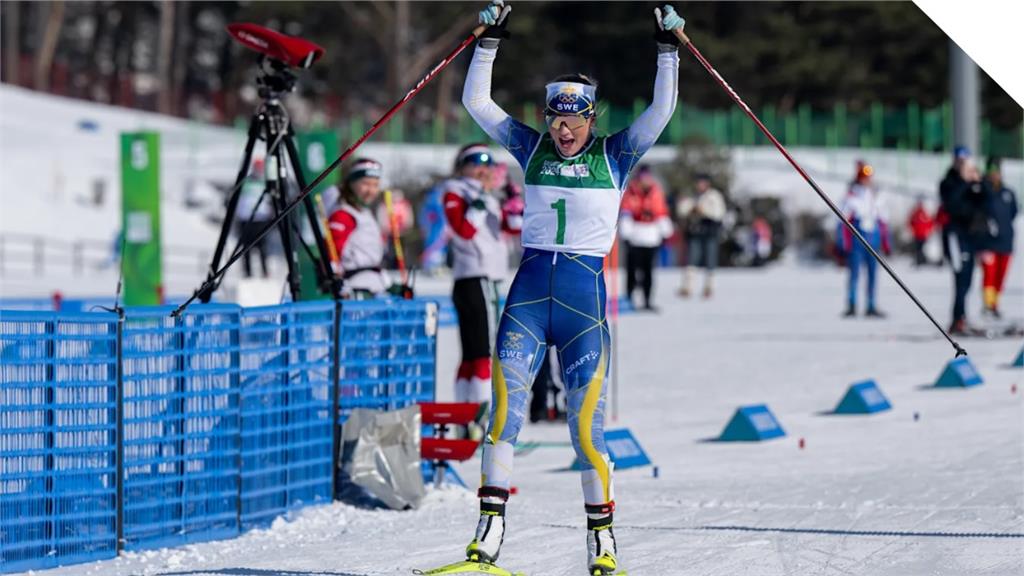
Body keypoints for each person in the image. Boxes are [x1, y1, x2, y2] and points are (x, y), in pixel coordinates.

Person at [459, 2, 682, 573]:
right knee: (504, 415)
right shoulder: (529, 148)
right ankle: (487, 538)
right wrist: (489, 43)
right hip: (529, 301)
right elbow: (477, 104)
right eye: (555, 119)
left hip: (582, 306)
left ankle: (602, 544)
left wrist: (667, 50)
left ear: (590, 118)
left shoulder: (616, 154)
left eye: (572, 120)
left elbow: (661, 110)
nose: (561, 130)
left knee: (587, 429)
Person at [443, 143, 508, 436]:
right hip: (475, 277)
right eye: (475, 162)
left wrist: (511, 200)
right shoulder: (458, 190)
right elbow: (465, 231)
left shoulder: (488, 195)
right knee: (482, 351)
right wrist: (482, 199)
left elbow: (511, 230)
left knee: (475, 352)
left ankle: (469, 418)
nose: (483, 168)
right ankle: (479, 417)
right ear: (462, 165)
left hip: (486, 277)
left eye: (488, 163)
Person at [938, 147, 988, 333]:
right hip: (954, 235)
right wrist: (965, 183)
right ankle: (957, 318)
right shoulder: (949, 182)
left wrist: (979, 182)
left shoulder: (976, 182)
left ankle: (962, 315)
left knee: (968, 278)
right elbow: (951, 203)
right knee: (960, 277)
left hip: (971, 236)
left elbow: (987, 200)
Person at [327, 158, 390, 298]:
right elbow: (333, 250)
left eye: (375, 185)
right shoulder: (343, 214)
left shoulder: (365, 212)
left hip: (374, 285)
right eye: (365, 184)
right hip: (356, 286)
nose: (371, 190)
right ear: (351, 184)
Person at [837, 161, 890, 318]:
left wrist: (886, 242)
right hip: (857, 240)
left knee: (873, 274)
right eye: (864, 177)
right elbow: (843, 221)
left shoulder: (876, 195)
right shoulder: (851, 196)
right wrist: (843, 243)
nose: (868, 180)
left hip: (873, 239)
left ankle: (871, 304)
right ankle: (852, 304)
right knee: (854, 273)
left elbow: (883, 221)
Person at [619, 165, 672, 310]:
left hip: (651, 236)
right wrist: (626, 231)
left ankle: (647, 300)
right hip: (635, 236)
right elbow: (626, 211)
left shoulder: (656, 192)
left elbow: (661, 211)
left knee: (648, 271)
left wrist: (665, 231)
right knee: (631, 270)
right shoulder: (631, 192)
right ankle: (629, 298)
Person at [978, 157, 1017, 318]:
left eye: (997, 172)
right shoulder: (982, 191)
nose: (994, 175)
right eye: (992, 172)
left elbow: (1013, 212)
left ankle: (995, 304)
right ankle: (988, 304)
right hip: (988, 242)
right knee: (989, 274)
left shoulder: (1008, 193)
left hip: (1006, 242)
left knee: (1001, 276)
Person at [676, 173, 726, 298]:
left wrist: (704, 211)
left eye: (702, 182)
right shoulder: (692, 195)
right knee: (692, 259)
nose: (700, 185)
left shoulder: (714, 196)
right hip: (695, 231)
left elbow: (719, 213)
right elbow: (682, 209)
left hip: (710, 231)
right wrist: (690, 209)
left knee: (710, 259)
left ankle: (709, 287)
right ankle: (687, 287)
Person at [236, 158, 273, 278]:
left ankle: (265, 272)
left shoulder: (266, 182)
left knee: (263, 248)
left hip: (260, 220)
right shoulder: (245, 182)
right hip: (246, 219)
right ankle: (248, 273)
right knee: (246, 248)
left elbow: (270, 201)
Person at [907, 196, 934, 267]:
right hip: (917, 235)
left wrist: (928, 231)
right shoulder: (915, 213)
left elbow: (930, 223)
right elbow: (910, 222)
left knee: (921, 248)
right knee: (918, 248)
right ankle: (919, 260)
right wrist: (913, 230)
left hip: (923, 235)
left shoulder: (924, 213)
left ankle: (921, 260)